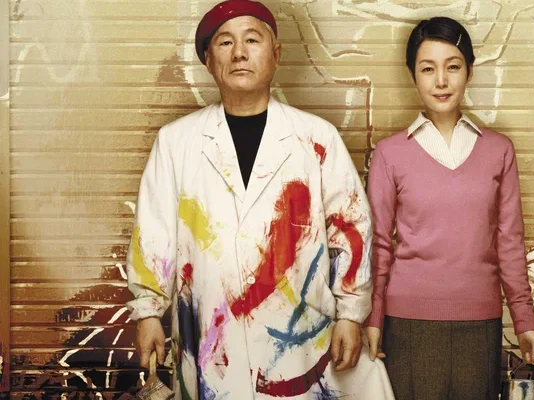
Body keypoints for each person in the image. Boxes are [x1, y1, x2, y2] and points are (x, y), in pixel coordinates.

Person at [126, 1, 393, 398]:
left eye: (252, 40)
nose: (239, 52)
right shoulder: (176, 143)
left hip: (299, 342)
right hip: (211, 344)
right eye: (225, 42)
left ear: (276, 54)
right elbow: (154, 233)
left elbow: (350, 229)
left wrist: (351, 315)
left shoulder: (317, 139)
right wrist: (148, 312)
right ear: (208, 60)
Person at [363, 16, 534, 399]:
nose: (441, 81)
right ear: (413, 75)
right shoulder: (390, 154)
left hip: (480, 322)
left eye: (453, 66)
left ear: (469, 71)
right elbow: (377, 244)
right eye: (428, 69)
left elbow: (509, 242)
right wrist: (373, 318)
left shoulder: (499, 150)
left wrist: (524, 319)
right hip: (407, 323)